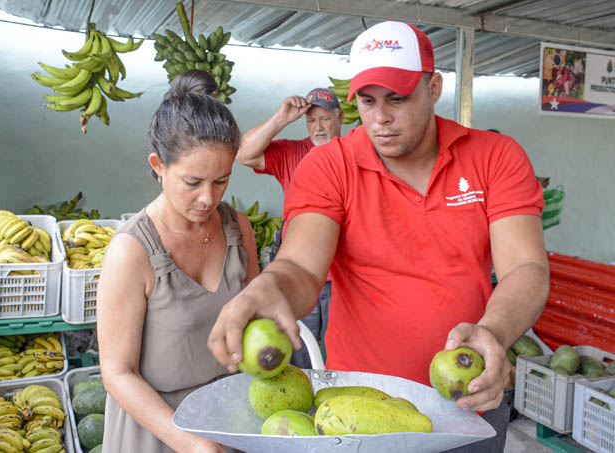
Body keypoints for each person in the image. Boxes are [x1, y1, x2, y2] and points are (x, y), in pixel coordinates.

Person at [208, 21, 549, 452]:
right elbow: (300, 265)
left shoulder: (495, 157)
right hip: (357, 407)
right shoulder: (329, 165)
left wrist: (494, 333)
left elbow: (526, 268)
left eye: (398, 99)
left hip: (467, 399)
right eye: (367, 102)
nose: (381, 118)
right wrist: (270, 286)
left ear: (434, 87)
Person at [97, 69, 259, 453]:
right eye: (193, 182)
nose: (208, 197)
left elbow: (255, 316)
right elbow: (118, 373)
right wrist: (190, 443)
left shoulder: (238, 229)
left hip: (229, 421)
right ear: (158, 166)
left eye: (221, 181)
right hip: (157, 432)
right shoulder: (131, 251)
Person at [236, 88, 344, 368]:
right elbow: (244, 153)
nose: (318, 127)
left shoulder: (354, 154)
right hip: (299, 271)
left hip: (345, 276)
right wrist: (282, 118)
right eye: (311, 121)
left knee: (342, 351)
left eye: (325, 119)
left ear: (340, 118)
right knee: (299, 345)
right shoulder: (292, 152)